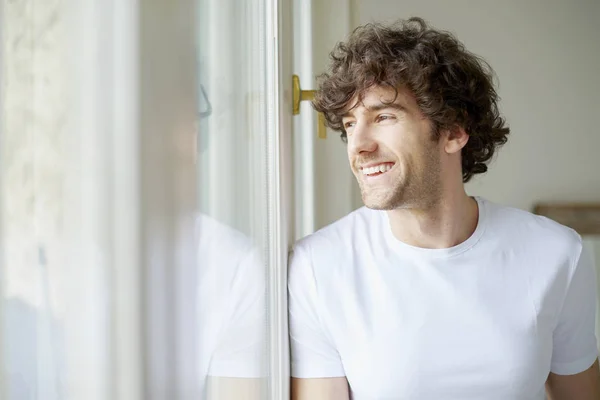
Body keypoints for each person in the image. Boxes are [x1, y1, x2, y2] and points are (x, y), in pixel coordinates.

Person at [288, 17, 600, 400]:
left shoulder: (557, 254)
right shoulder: (318, 267)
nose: (358, 145)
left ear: (453, 131)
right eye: (351, 123)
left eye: (384, 117)